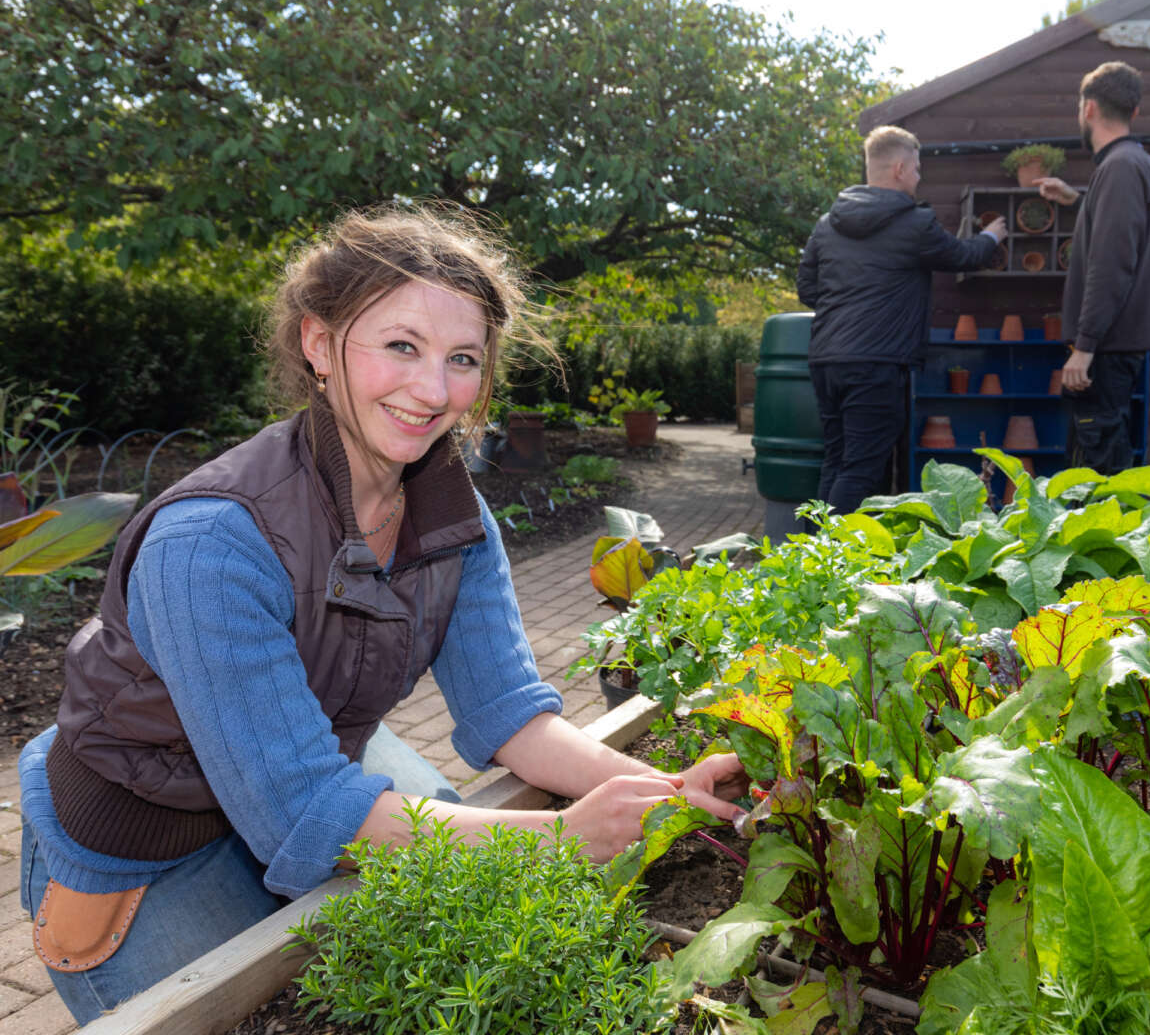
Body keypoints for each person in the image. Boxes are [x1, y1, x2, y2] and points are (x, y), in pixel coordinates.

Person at [18, 205, 749, 1024]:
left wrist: (666, 793)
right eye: (401, 345)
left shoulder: (448, 506)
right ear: (320, 345)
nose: (434, 391)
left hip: (307, 767)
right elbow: (305, 812)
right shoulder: (211, 539)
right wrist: (563, 839)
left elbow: (508, 713)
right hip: (149, 837)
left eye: (462, 358)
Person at [796, 125, 1007, 513]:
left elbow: (807, 287)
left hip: (826, 360)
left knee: (837, 461)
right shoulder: (913, 223)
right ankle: (832, 561)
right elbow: (961, 256)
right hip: (875, 363)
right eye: (917, 168)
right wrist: (992, 236)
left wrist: (843, 308)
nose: (919, 176)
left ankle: (813, 557)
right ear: (898, 169)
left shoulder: (828, 224)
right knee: (860, 470)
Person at [1034, 61, 1150, 474]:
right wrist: (1078, 199)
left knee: (1095, 476)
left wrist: (1085, 347)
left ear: (1089, 109)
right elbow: (1123, 229)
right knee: (1098, 464)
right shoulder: (1135, 166)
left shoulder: (1120, 169)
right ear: (1134, 113)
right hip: (1117, 346)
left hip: (1105, 350)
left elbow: (1112, 265)